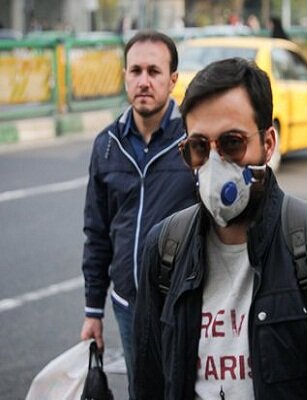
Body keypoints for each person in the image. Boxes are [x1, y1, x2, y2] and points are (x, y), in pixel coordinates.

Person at [132, 57, 307, 399]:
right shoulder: (164, 249)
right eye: (199, 147)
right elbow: (147, 383)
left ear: (268, 143)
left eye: (232, 143)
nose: (215, 164)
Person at [80, 30, 197, 396]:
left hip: (185, 304)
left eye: (154, 71)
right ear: (125, 76)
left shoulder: (194, 141)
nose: (144, 81)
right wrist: (93, 311)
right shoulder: (107, 145)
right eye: (136, 71)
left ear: (173, 80)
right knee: (142, 390)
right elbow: (97, 232)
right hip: (129, 306)